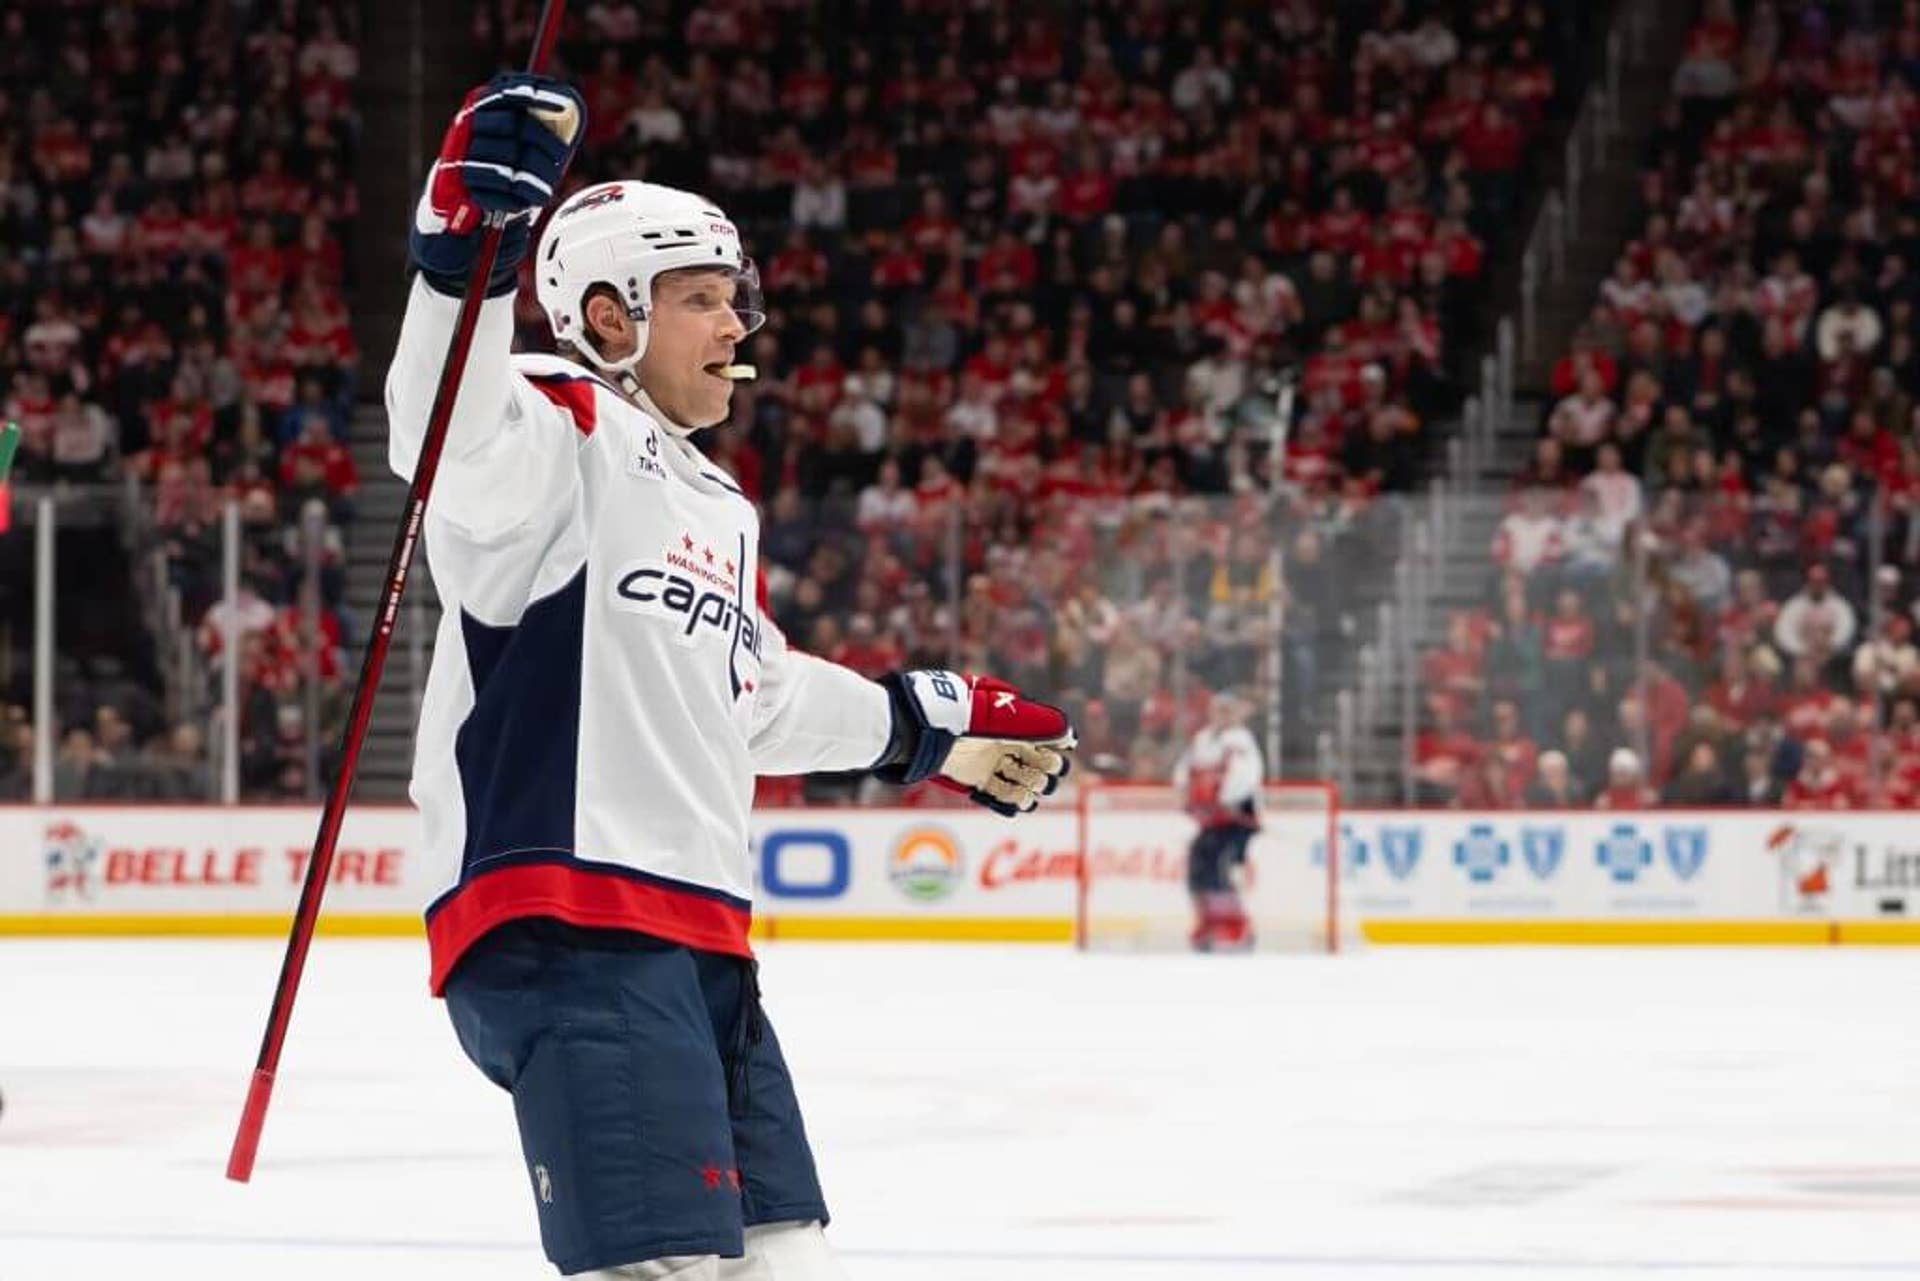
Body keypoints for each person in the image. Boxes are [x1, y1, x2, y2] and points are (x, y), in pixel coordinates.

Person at [387, 76, 1076, 1280]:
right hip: (574, 917)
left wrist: (926, 725)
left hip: (701, 936)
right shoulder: (554, 427)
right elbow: (444, 437)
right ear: (606, 318)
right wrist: (466, 258)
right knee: (665, 1270)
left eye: (735, 299)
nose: (735, 325)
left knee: (783, 1257)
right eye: (700, 298)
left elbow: (752, 695)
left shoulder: (712, 499)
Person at [1172, 690, 1264, 952]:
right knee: (1198, 866)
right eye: (1217, 709)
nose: (1221, 715)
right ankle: (1209, 920)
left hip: (1236, 818)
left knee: (1222, 866)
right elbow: (1184, 769)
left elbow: (1246, 776)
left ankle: (1235, 923)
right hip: (1211, 819)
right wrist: (1184, 792)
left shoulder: (1240, 740)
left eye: (1227, 710)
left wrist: (1223, 798)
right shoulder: (1203, 739)